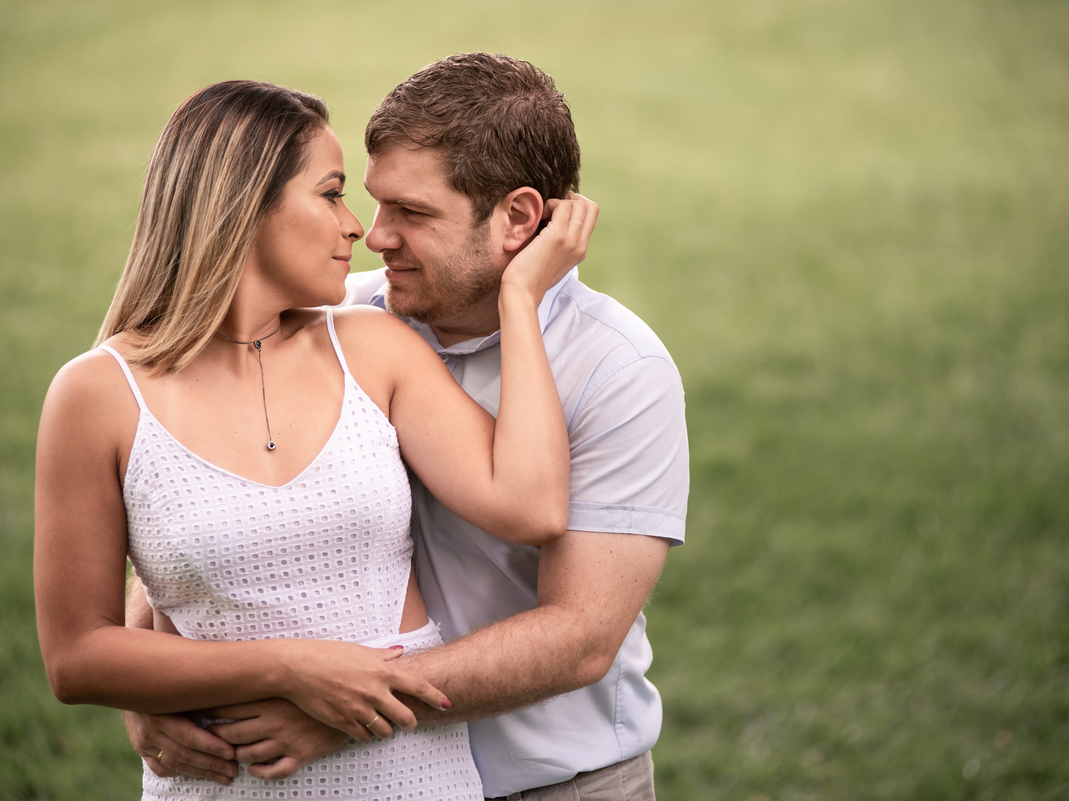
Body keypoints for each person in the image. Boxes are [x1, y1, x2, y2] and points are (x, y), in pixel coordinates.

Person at [126, 53, 688, 801]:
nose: (374, 235)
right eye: (373, 200)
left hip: (558, 781)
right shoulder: (335, 325)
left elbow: (580, 636)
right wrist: (143, 684)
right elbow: (192, 494)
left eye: (413, 214)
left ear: (519, 218)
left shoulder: (619, 369)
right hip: (373, 779)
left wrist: (348, 707)